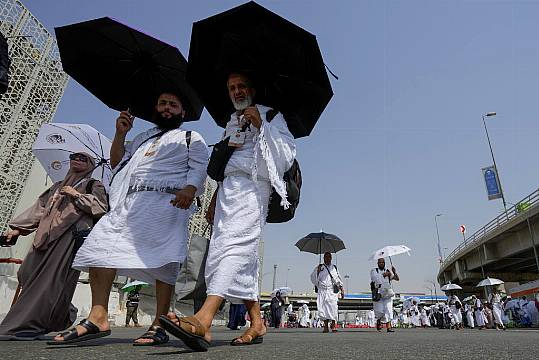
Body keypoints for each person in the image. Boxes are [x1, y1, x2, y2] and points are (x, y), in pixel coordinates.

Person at [50, 92, 208, 346]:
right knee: (100, 247)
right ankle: (98, 317)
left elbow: (200, 166)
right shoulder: (143, 138)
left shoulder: (190, 137)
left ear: (182, 112)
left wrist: (190, 189)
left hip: (167, 202)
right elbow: (118, 164)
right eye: (162, 103)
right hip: (130, 203)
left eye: (173, 105)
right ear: (156, 108)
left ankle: (159, 323)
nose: (167, 108)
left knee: (164, 260)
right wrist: (121, 133)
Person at [159, 73, 295, 351]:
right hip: (227, 193)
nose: (236, 91)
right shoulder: (231, 122)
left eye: (242, 86)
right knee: (227, 253)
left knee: (235, 247)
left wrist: (262, 128)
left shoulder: (271, 116)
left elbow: (285, 157)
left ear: (253, 89)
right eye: (232, 88)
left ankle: (204, 318)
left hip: (254, 189)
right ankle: (257, 322)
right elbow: (224, 163)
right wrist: (214, 198)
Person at [0, 153, 108, 340]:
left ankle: (25, 327)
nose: (77, 160)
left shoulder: (93, 185)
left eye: (83, 159)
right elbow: (39, 210)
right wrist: (17, 230)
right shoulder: (57, 186)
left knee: (48, 282)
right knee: (26, 273)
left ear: (91, 165)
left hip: (68, 238)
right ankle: (63, 311)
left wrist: (76, 195)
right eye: (74, 156)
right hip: (44, 238)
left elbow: (101, 207)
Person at [310, 252, 344, 333]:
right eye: (326, 257)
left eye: (329, 257)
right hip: (322, 291)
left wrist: (342, 289)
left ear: (331, 258)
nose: (327, 258)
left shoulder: (334, 268)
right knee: (323, 309)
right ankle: (325, 327)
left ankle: (333, 325)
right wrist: (317, 272)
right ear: (323, 258)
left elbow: (338, 279)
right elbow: (313, 278)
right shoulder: (319, 267)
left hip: (331, 291)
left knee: (333, 308)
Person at [370, 258, 400, 333]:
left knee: (389, 310)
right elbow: (375, 279)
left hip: (388, 294)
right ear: (377, 263)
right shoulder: (374, 271)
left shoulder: (388, 271)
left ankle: (389, 327)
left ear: (384, 263)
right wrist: (384, 275)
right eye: (380, 262)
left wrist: (394, 272)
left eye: (383, 262)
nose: (381, 264)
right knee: (380, 311)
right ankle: (379, 321)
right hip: (378, 294)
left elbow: (397, 279)